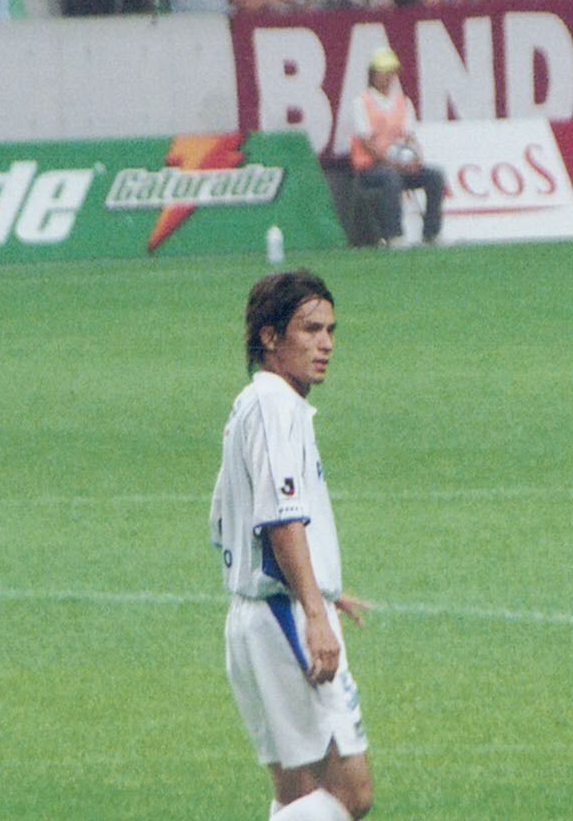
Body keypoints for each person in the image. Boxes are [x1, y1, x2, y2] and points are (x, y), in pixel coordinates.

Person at [209, 269, 375, 821]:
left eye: (330, 330)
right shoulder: (275, 406)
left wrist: (323, 586)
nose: (325, 343)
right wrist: (314, 610)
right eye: (310, 329)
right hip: (287, 619)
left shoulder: (251, 406)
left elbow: (225, 521)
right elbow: (282, 521)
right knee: (351, 794)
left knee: (298, 794)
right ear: (269, 336)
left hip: (255, 618)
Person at [350, 47, 444, 247]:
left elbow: (409, 137)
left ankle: (431, 233)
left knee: (435, 176)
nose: (389, 77)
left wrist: (415, 159)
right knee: (391, 178)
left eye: (391, 73)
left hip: (399, 164)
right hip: (371, 168)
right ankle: (394, 235)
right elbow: (367, 142)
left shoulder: (403, 102)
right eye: (384, 72)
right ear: (373, 74)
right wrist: (392, 162)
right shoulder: (361, 103)